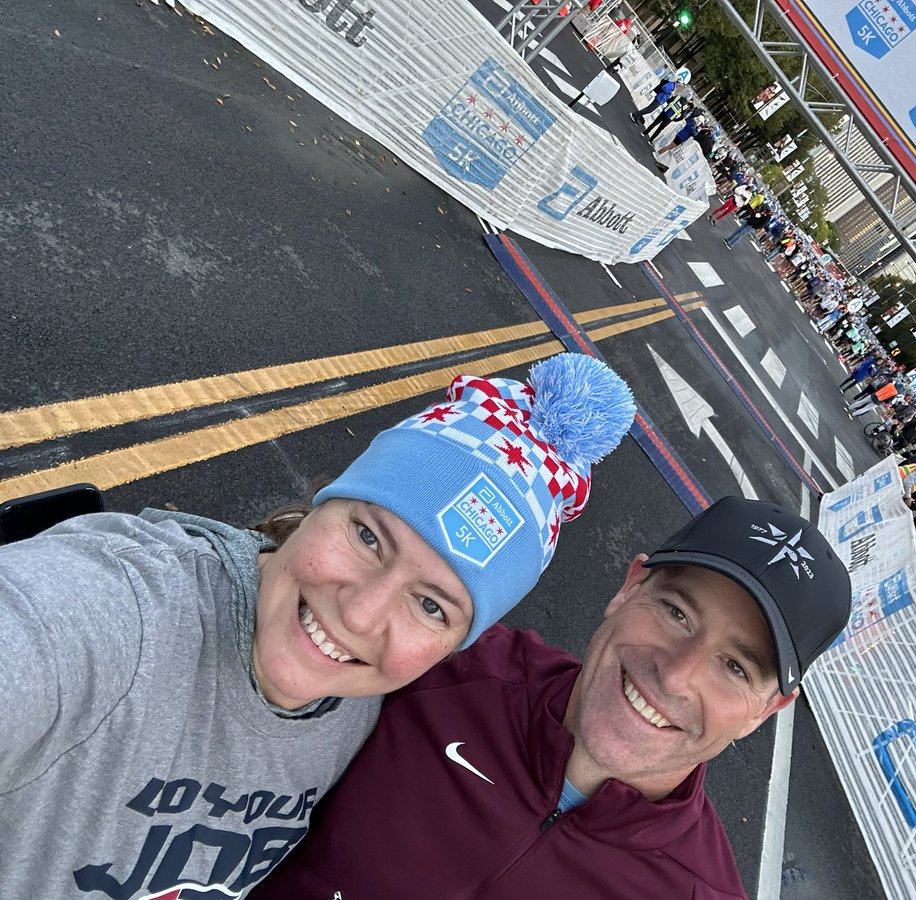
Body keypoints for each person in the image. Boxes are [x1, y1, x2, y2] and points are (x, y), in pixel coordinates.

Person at [0, 353, 636, 897]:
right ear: (324, 500)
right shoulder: (123, 607)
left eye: (431, 605)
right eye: (367, 537)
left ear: (452, 649)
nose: (358, 615)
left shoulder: (361, 718)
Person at [249, 497, 853, 898]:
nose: (676, 675)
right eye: (676, 612)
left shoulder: (698, 891)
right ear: (628, 587)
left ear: (766, 712)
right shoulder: (444, 668)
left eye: (735, 667)